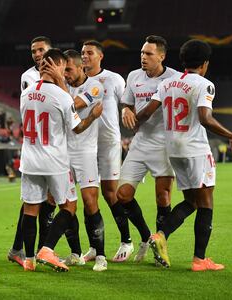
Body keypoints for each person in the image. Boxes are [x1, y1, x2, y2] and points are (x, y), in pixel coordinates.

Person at [135, 39, 232, 271]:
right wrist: (231, 135)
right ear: (204, 64)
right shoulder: (205, 84)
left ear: (183, 60)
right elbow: (205, 118)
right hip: (195, 149)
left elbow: (145, 113)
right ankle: (200, 260)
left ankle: (160, 235)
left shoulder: (166, 84)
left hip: (173, 150)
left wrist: (130, 117)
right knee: (206, 202)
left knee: (191, 201)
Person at [19, 48, 103, 272]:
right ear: (56, 66)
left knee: (30, 209)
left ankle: (29, 260)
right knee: (69, 206)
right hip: (54, 160)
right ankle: (47, 249)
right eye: (62, 67)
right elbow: (77, 128)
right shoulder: (61, 96)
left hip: (29, 158)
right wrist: (93, 116)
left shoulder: (25, 93)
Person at [117, 35, 178, 262]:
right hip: (140, 142)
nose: (143, 57)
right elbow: (127, 102)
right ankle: (145, 236)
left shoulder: (173, 78)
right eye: (142, 53)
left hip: (164, 144)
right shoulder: (134, 76)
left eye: (149, 54)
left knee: (163, 197)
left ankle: (160, 246)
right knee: (122, 194)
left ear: (161, 56)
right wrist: (125, 110)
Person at [81, 40, 131, 263]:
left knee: (110, 193)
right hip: (85, 144)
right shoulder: (75, 79)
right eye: (82, 53)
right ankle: (94, 246)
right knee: (88, 195)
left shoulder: (114, 79)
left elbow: (128, 103)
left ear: (100, 56)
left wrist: (126, 111)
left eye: (89, 53)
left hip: (109, 142)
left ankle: (126, 240)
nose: (85, 56)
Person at [8, 36, 54, 267]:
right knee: (39, 201)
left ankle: (29, 249)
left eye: (41, 50)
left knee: (41, 201)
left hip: (52, 146)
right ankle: (36, 251)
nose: (37, 54)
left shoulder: (59, 71)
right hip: (39, 145)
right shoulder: (29, 77)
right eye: (34, 50)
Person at [60, 49, 107, 270]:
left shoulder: (95, 86)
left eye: (69, 69)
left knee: (90, 201)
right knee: (66, 203)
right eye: (64, 69)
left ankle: (101, 256)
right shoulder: (63, 84)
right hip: (62, 152)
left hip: (85, 151)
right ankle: (75, 253)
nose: (65, 73)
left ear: (81, 68)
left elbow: (71, 105)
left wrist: (59, 88)